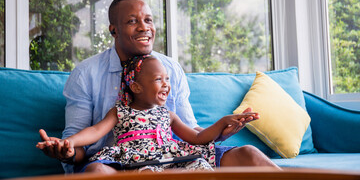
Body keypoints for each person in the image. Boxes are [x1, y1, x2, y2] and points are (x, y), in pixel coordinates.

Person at [38, 0, 279, 174]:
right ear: (114, 30)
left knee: (248, 154)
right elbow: (83, 139)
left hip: (171, 156)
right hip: (114, 163)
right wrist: (66, 149)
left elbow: (192, 133)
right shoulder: (85, 75)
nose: (144, 27)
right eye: (133, 21)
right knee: (97, 172)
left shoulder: (171, 69)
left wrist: (220, 131)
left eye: (148, 20)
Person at [37, 55, 260, 172]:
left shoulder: (169, 114)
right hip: (135, 160)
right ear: (135, 87)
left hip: (169, 158)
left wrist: (222, 123)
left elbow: (198, 138)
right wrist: (68, 142)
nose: (166, 85)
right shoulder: (119, 111)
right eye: (157, 80)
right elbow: (95, 132)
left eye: (167, 79)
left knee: (199, 166)